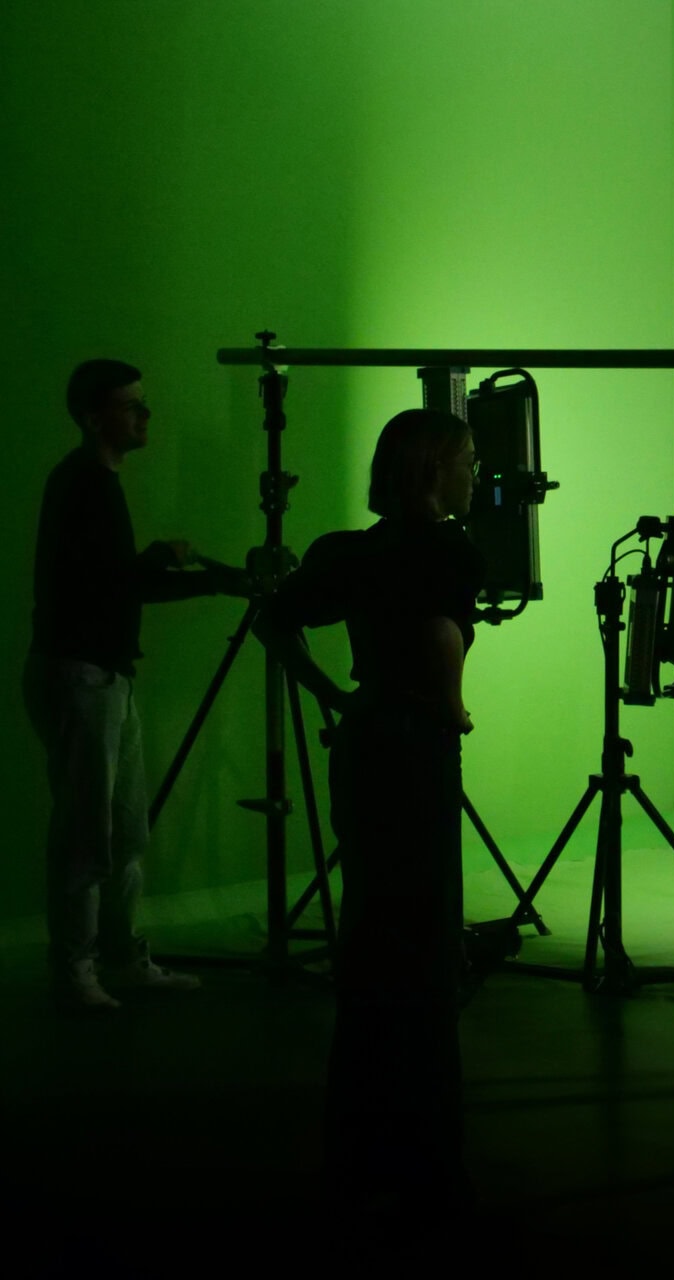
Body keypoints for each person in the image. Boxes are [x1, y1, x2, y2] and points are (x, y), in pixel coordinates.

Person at [256, 407, 482, 1225]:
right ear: (433, 470)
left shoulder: (346, 551)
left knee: (370, 942)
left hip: (363, 743)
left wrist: (336, 699)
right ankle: (428, 1168)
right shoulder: (449, 549)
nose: (474, 475)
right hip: (416, 752)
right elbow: (439, 633)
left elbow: (273, 620)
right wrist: (454, 707)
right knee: (425, 956)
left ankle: (355, 1154)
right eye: (466, 461)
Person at [26, 358, 248, 1012]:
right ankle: (78, 968)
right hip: (82, 677)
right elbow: (109, 585)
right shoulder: (86, 483)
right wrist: (195, 574)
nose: (145, 416)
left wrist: (194, 574)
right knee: (88, 833)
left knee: (122, 832)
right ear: (96, 416)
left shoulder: (92, 482)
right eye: (132, 405)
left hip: (102, 677)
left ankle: (117, 959)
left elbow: (107, 581)